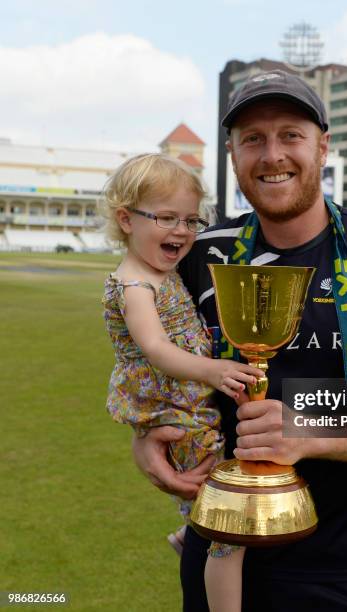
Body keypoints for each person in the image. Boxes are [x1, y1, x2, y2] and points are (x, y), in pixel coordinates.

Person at [132, 71, 347, 611]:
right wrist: (149, 435)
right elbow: (163, 371)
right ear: (233, 154)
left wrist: (307, 427)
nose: (272, 154)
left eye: (291, 134)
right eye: (253, 139)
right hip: (218, 554)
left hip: (343, 574)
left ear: (322, 147)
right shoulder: (201, 255)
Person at [101, 153, 263, 612]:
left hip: (189, 406)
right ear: (126, 219)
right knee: (230, 523)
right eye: (167, 217)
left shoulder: (160, 272)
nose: (182, 231)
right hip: (177, 411)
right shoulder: (136, 285)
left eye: (191, 219)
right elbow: (154, 347)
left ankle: (188, 530)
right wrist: (214, 370)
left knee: (215, 496)